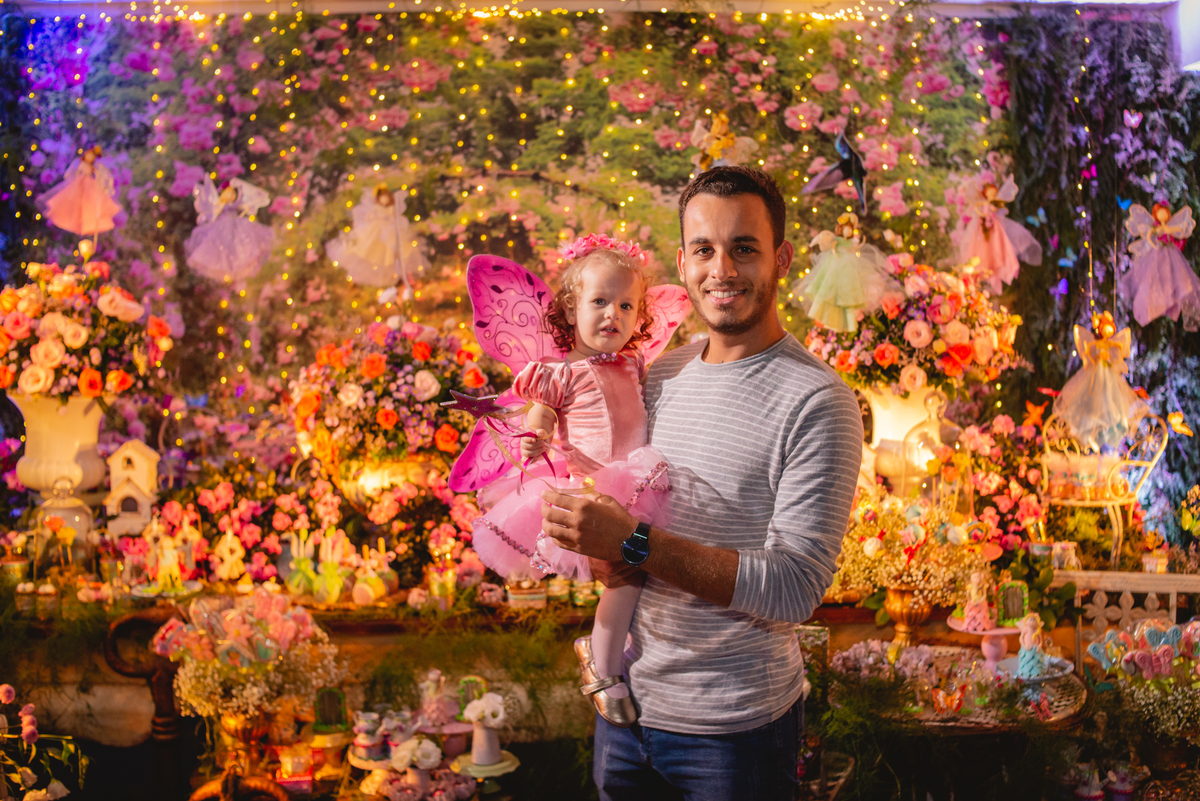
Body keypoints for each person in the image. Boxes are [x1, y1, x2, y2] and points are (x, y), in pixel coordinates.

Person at [538, 166, 864, 800]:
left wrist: (633, 542)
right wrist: (596, 541)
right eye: (705, 250)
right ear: (682, 263)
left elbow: (795, 588)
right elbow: (624, 496)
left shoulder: (819, 401)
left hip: (735, 732)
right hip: (627, 712)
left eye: (745, 247)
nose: (723, 269)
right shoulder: (658, 375)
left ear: (782, 258)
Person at [461, 237, 684, 728]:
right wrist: (535, 438)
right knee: (624, 578)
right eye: (599, 302)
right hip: (595, 490)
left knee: (641, 576)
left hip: (637, 483)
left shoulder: (632, 363)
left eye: (626, 305)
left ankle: (612, 647)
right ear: (571, 308)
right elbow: (538, 415)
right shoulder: (559, 372)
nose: (613, 314)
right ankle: (603, 671)